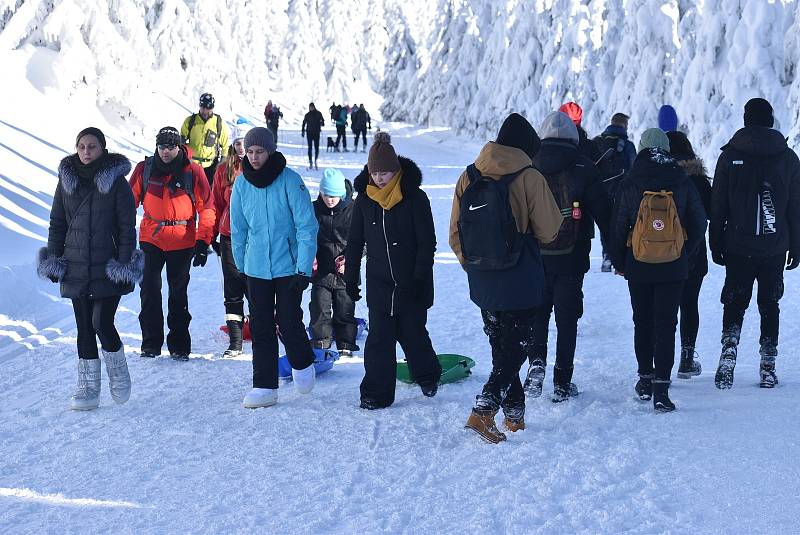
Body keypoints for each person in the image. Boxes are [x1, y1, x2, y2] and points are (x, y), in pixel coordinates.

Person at [450, 113, 562, 443]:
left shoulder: (468, 176)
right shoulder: (529, 177)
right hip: (520, 278)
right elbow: (550, 230)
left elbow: (455, 233)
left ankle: (514, 413)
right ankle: (484, 411)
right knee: (515, 349)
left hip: (482, 279)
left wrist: (475, 266)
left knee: (502, 346)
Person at [38, 127, 140, 410]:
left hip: (107, 266)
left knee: (101, 323)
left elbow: (125, 227)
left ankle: (118, 371)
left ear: (102, 149)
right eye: (81, 146)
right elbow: (57, 222)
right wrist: (54, 258)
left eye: (91, 147)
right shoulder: (66, 179)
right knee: (84, 327)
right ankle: (88, 388)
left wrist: (123, 264)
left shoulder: (117, 182)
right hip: (75, 264)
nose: (85, 152)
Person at [609, 128, 706, 412]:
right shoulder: (681, 179)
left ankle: (644, 379)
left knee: (643, 321)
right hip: (673, 264)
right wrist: (684, 253)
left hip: (639, 263)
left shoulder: (631, 180)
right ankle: (661, 389)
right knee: (667, 323)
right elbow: (699, 222)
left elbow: (617, 226)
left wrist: (620, 262)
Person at [344, 132, 441, 409]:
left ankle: (427, 375)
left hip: (411, 281)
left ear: (396, 170)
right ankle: (375, 393)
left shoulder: (415, 198)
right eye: (375, 173)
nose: (380, 179)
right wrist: (351, 276)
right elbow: (354, 242)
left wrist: (421, 276)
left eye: (385, 172)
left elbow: (427, 242)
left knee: (413, 334)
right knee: (379, 340)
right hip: (379, 283)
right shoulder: (364, 200)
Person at [709, 97, 800, 389]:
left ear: (746, 120)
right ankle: (768, 364)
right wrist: (796, 245)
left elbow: (718, 204)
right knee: (769, 303)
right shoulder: (788, 158)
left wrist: (715, 242)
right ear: (770, 120)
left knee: (735, 301)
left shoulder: (730, 156)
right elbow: (796, 207)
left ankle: (728, 353)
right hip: (775, 246)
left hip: (737, 244)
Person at [524, 111, 611, 402]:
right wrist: (618, 255)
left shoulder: (530, 165)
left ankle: (536, 363)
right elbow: (605, 215)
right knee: (567, 319)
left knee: (538, 314)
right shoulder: (583, 167)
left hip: (535, 257)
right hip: (572, 257)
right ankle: (562, 380)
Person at [229, 127, 318, 409]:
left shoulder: (291, 181)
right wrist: (242, 266)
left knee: (289, 321)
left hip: (289, 266)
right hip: (256, 268)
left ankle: (303, 362)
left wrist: (304, 269)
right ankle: (264, 385)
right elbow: (238, 229)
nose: (254, 157)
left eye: (260, 152)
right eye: (250, 152)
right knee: (261, 325)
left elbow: (307, 227)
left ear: (271, 152)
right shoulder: (242, 185)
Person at [130, 126, 215, 361]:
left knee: (178, 294)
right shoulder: (144, 169)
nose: (165, 151)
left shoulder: (193, 172)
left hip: (182, 240)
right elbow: (128, 204)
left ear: (179, 147)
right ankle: (150, 344)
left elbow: (206, 208)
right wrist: (122, 238)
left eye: (170, 146)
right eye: (161, 146)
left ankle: (179, 345)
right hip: (151, 238)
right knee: (149, 291)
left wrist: (202, 242)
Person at [666, 130, 711, 379]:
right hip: (694, 252)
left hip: (662, 251)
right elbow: (713, 213)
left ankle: (663, 360)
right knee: (690, 303)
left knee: (666, 306)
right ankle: (687, 357)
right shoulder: (698, 180)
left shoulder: (661, 177)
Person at [309, 168, 359, 356]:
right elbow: (306, 234)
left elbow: (364, 241)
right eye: (326, 194)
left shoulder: (354, 210)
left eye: (334, 195)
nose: (330, 199)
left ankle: (346, 344)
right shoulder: (314, 209)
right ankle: (321, 343)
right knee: (319, 308)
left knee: (345, 308)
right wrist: (309, 256)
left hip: (345, 271)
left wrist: (350, 259)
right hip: (321, 269)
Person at [212, 122, 251, 357]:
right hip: (229, 236)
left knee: (256, 285)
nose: (242, 148)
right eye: (238, 143)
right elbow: (215, 204)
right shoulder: (224, 170)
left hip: (256, 236)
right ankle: (236, 341)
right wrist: (209, 236)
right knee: (233, 286)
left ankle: (262, 329)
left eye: (246, 143)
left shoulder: (261, 166)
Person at [595, 112, 637, 272]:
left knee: (605, 224)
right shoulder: (627, 145)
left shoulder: (598, 142)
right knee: (622, 224)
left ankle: (606, 256)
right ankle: (620, 256)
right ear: (624, 125)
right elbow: (633, 169)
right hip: (622, 192)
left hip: (600, 191)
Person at [181, 92, 231, 187]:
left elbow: (225, 146)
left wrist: (222, 163)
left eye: (209, 108)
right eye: (203, 107)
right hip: (192, 164)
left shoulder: (218, 123)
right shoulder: (190, 121)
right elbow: (181, 141)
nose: (205, 111)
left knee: (208, 195)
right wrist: (184, 157)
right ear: (200, 106)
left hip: (210, 167)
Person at [301, 102, 325, 170]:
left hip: (317, 132)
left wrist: (322, 123)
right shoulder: (307, 115)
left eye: (312, 107)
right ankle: (310, 161)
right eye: (310, 107)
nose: (311, 108)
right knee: (310, 147)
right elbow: (304, 123)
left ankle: (316, 160)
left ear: (314, 107)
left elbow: (323, 121)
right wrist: (302, 131)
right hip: (309, 132)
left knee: (316, 147)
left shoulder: (318, 113)